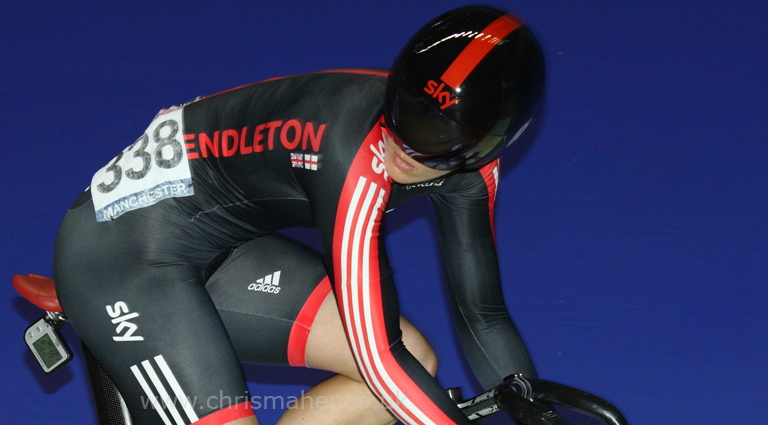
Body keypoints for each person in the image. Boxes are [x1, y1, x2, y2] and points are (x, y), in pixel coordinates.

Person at [52, 5, 545, 425]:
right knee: (394, 372)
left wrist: (528, 402)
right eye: (406, 113)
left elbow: (483, 313)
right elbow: (376, 356)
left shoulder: (475, 172)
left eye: (439, 142)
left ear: (484, 148)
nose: (404, 147)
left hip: (218, 241)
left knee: (415, 361)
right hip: (119, 259)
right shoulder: (354, 155)